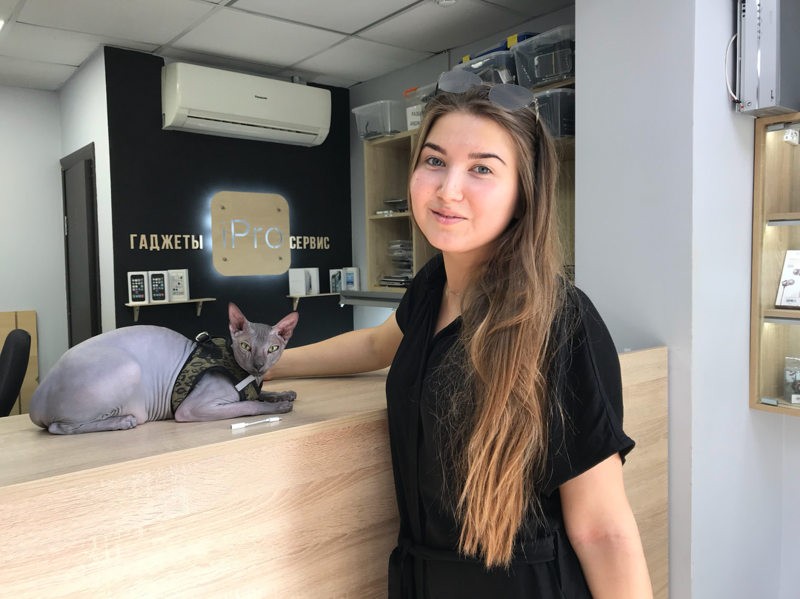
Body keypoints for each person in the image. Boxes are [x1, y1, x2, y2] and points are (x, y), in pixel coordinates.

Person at [269, 73, 653, 598]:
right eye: (435, 161)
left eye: (481, 169)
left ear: (523, 194)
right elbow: (376, 345)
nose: (448, 189)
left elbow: (603, 531)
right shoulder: (433, 285)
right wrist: (269, 364)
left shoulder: (561, 321)